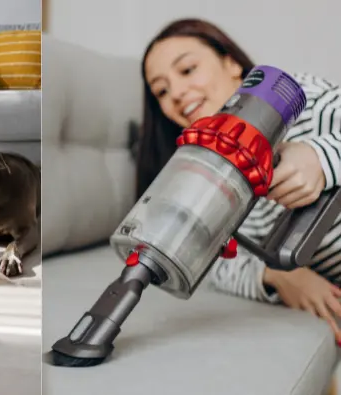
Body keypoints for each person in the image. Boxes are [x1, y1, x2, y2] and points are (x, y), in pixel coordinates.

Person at [137, 17, 341, 342]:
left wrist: (321, 158)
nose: (175, 93)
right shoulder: (199, 178)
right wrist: (275, 275)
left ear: (231, 63)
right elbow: (215, 263)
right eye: (161, 90)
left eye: (187, 70)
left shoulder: (300, 100)